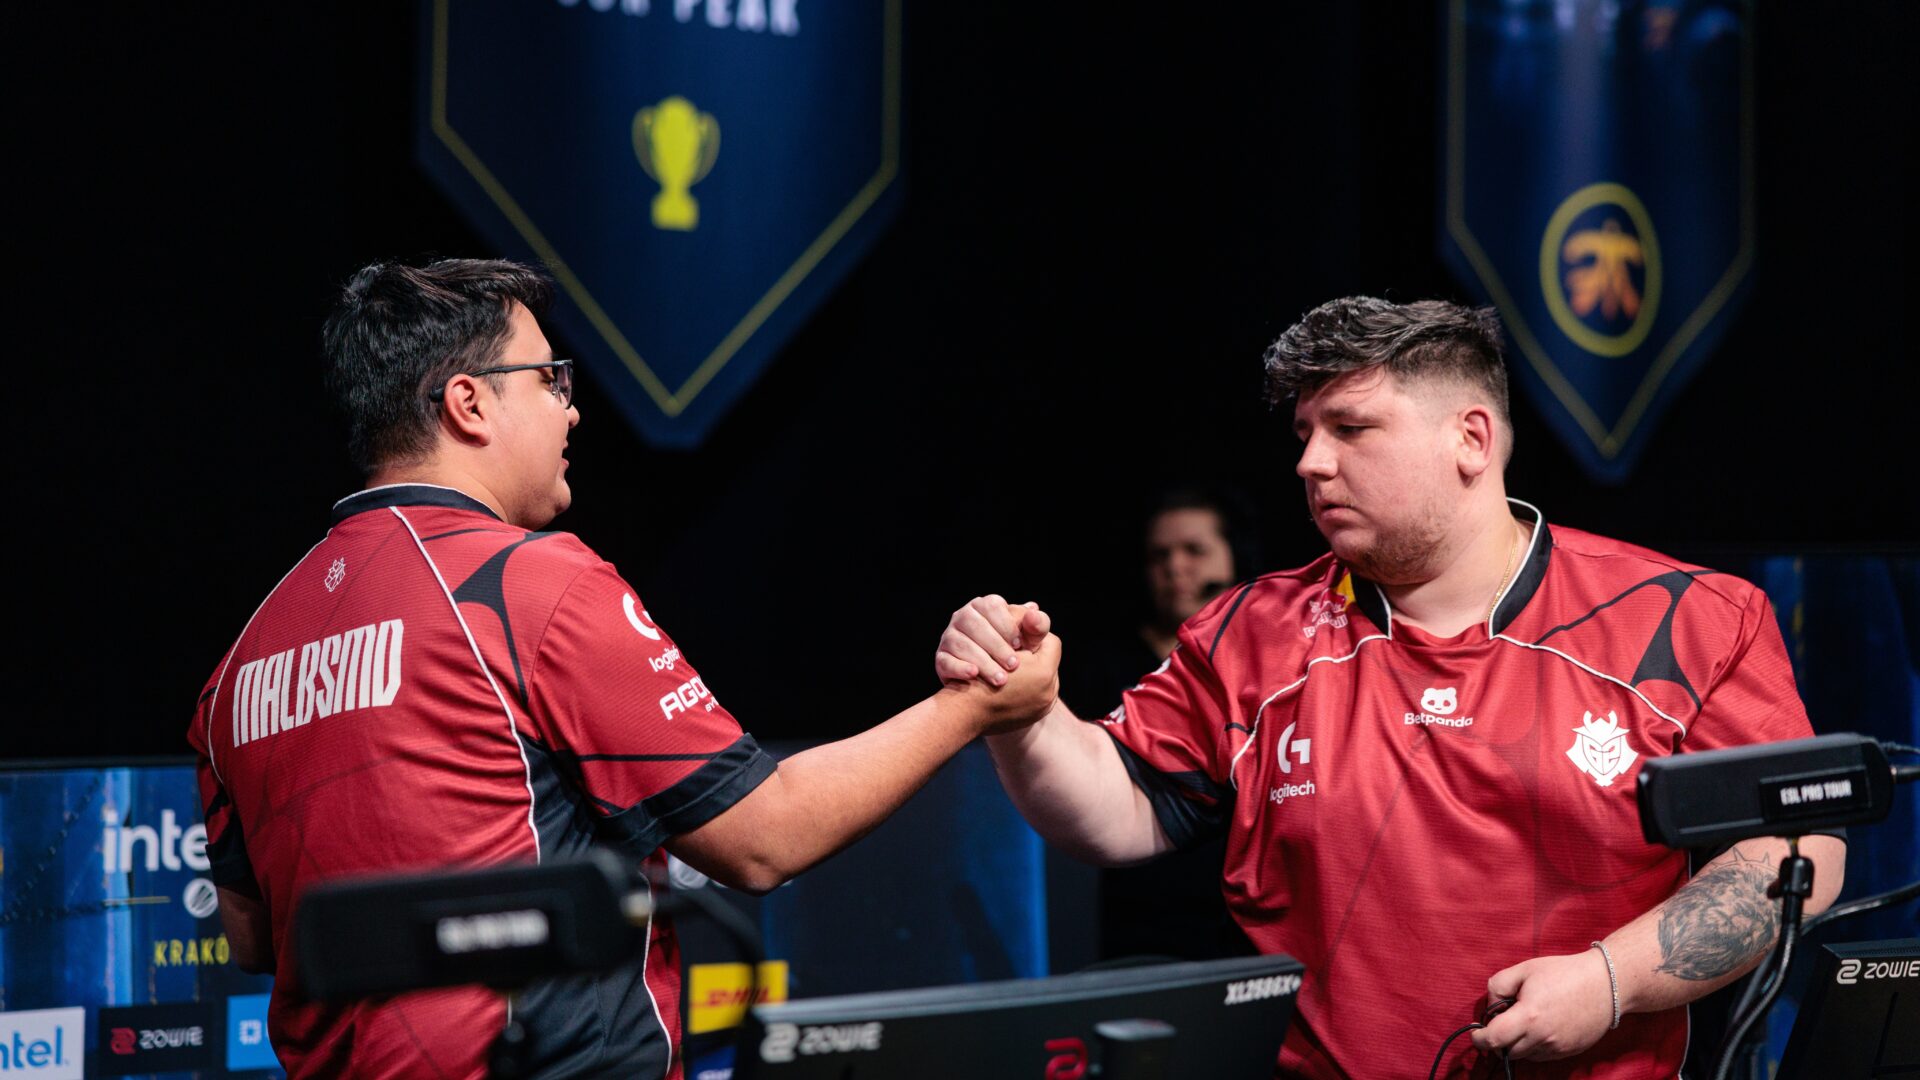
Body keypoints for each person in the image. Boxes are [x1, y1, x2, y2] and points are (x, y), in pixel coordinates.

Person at [186, 257, 1058, 1080]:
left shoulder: (238, 668)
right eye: (549, 379)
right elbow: (764, 838)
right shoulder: (524, 583)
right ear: (469, 403)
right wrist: (972, 708)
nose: (571, 411)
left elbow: (257, 939)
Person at [936, 297, 1844, 1078]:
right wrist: (1026, 716)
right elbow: (1114, 809)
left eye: (1351, 429)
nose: (1310, 463)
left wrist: (1612, 982)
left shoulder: (1687, 617)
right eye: (1305, 434)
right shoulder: (1248, 632)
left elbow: (1796, 848)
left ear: (1471, 440)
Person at [1066, 488, 1261, 963]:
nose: (1175, 567)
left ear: (1233, 557)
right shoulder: (1101, 662)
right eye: (1160, 555)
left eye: (1194, 550)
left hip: (1241, 926)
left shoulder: (1266, 658)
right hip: (1131, 922)